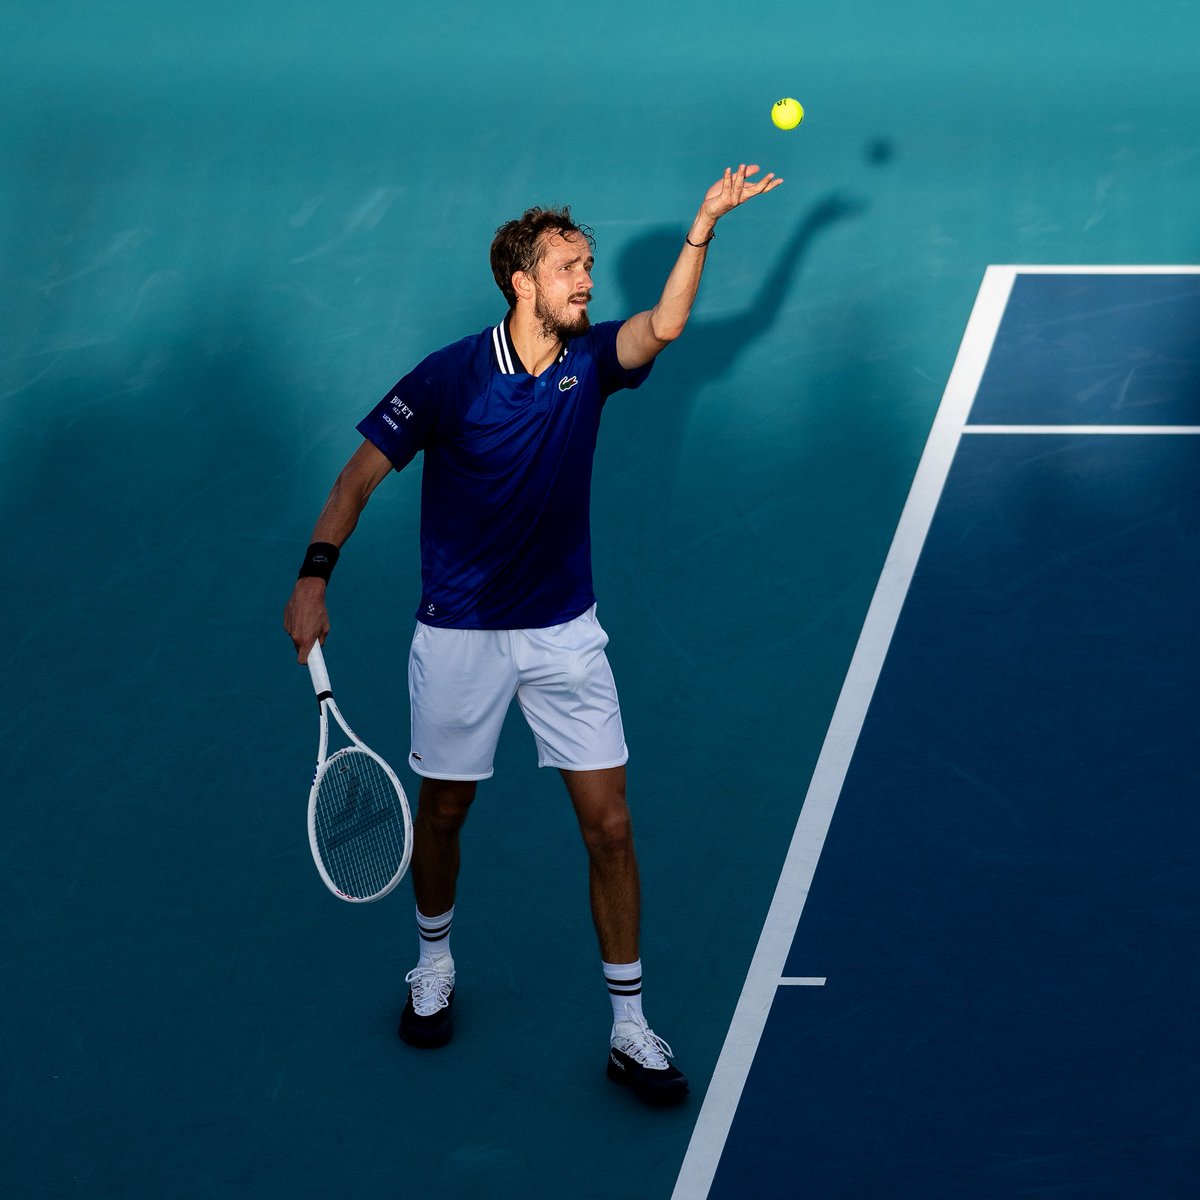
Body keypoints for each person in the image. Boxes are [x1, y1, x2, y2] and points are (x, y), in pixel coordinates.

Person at [284, 164, 782, 1106]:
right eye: (568, 267)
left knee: (611, 824)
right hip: (460, 636)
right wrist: (315, 577)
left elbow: (665, 327)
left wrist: (704, 225)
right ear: (522, 282)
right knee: (443, 813)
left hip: (563, 635)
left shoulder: (591, 363)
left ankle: (630, 1028)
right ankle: (433, 964)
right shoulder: (449, 377)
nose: (586, 280)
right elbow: (356, 480)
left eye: (589, 265)